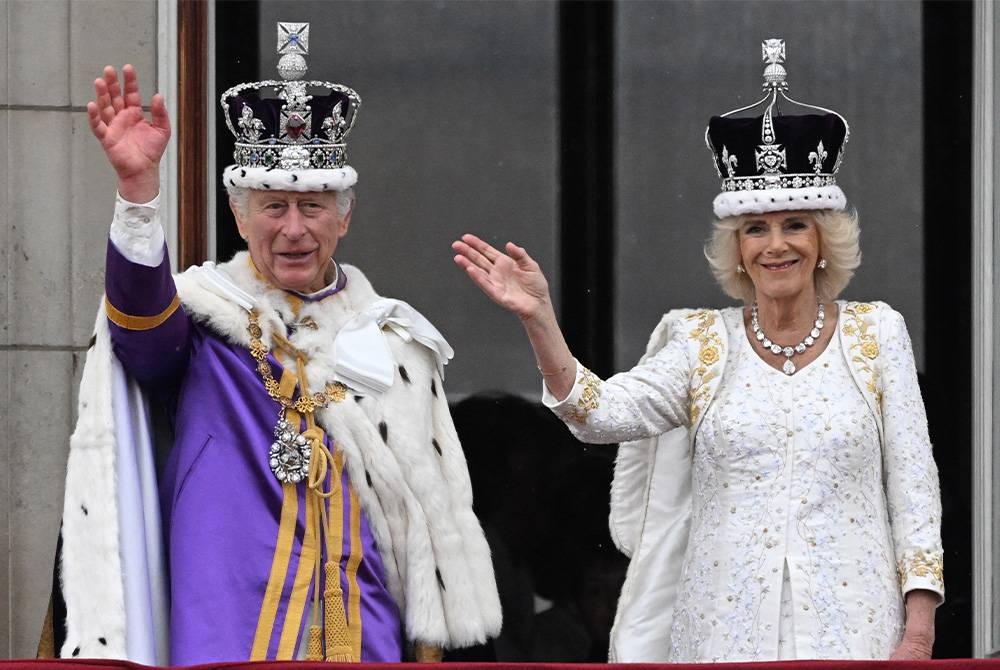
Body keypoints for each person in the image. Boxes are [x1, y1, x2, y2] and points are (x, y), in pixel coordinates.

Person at [453, 38, 943, 662]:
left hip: (855, 631)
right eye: (756, 229)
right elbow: (598, 414)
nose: (777, 245)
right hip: (721, 635)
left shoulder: (877, 334)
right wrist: (540, 317)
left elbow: (915, 490)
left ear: (824, 240)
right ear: (737, 248)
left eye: (796, 224)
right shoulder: (699, 343)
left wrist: (918, 631)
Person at [44, 22, 500, 665]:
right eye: (272, 206)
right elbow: (141, 330)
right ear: (239, 214)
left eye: (313, 207)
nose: (293, 229)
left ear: (345, 216)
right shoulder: (204, 321)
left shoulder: (395, 340)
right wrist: (139, 195)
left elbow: (424, 521)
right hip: (229, 623)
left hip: (360, 627)